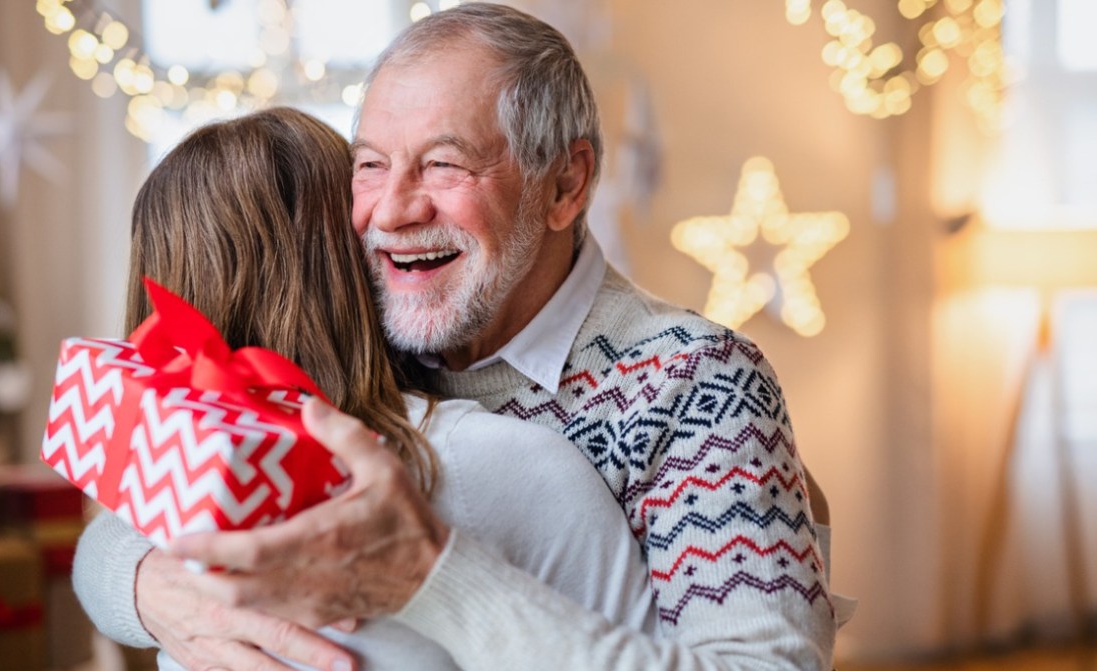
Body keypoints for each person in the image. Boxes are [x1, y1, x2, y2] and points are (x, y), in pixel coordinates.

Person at [82, 3, 845, 669]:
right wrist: (145, 585)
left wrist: (435, 579)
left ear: (565, 184)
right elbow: (125, 514)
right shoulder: (365, 330)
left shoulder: (697, 382)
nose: (391, 211)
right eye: (372, 165)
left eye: (443, 164)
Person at [72, 106, 658, 671]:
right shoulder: (491, 460)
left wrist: (135, 582)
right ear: (350, 257)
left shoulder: (163, 475)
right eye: (370, 183)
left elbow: (99, 545)